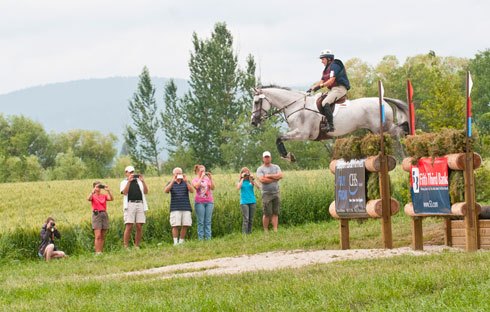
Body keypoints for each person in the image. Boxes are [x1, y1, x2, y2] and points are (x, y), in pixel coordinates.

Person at [308, 49, 351, 132]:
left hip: (340, 89)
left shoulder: (335, 66)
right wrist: (312, 88)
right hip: (332, 90)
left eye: (323, 59)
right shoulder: (326, 70)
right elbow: (321, 82)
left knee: (325, 103)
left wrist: (320, 86)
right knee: (319, 100)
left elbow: (331, 80)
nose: (322, 62)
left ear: (329, 59)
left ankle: (330, 126)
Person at [120, 165, 149, 249]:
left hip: (140, 203)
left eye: (133, 172)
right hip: (130, 204)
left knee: (139, 225)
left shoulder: (139, 181)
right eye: (130, 172)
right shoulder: (124, 182)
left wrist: (143, 181)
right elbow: (124, 192)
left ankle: (137, 246)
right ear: (126, 173)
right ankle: (125, 246)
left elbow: (146, 191)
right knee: (129, 225)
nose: (132, 174)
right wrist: (129, 181)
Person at [164, 167, 194, 245]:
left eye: (180, 173)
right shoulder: (170, 183)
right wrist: (172, 181)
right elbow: (166, 191)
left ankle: (181, 242)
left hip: (186, 206)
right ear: (174, 174)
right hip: (175, 207)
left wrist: (186, 181)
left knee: (186, 224)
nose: (178, 175)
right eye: (177, 173)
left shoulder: (186, 182)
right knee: (175, 225)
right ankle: (175, 242)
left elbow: (191, 191)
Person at [257, 151, 283, 232]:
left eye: (268, 157)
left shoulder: (276, 167)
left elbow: (281, 175)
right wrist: (275, 178)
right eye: (265, 157)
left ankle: (275, 229)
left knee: (275, 212)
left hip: (276, 192)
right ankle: (266, 230)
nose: (267, 158)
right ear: (263, 158)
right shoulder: (260, 169)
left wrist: (268, 176)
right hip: (266, 194)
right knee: (266, 213)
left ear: (270, 158)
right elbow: (262, 180)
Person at [87, 181, 114, 254]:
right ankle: (97, 251)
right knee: (98, 235)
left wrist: (108, 190)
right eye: (97, 187)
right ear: (94, 188)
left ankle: (100, 251)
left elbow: (111, 199)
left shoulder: (104, 196)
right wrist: (92, 192)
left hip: (104, 214)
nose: (98, 189)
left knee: (102, 235)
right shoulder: (93, 196)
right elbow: (88, 198)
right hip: (96, 214)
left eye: (99, 187)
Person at [192, 164, 215, 240]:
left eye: (204, 171)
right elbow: (196, 186)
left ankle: (208, 238)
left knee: (208, 221)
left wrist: (210, 179)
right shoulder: (195, 180)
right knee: (201, 221)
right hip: (199, 202)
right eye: (202, 171)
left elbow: (213, 188)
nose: (204, 172)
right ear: (198, 171)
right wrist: (201, 177)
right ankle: (201, 239)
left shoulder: (207, 180)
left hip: (209, 202)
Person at [237, 167, 261, 234]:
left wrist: (253, 179)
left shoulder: (251, 181)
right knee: (246, 219)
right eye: (244, 173)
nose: (246, 174)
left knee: (251, 219)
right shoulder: (240, 181)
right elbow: (238, 187)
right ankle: (245, 233)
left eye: (247, 172)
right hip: (244, 202)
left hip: (252, 201)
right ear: (241, 173)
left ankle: (249, 232)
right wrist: (242, 178)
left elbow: (258, 186)